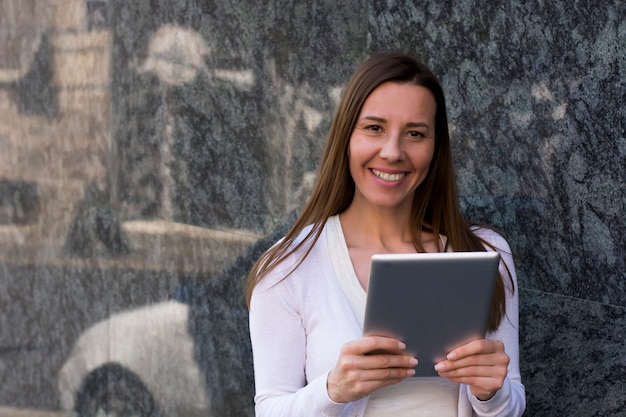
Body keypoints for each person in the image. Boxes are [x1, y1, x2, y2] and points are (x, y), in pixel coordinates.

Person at [245, 52, 526, 417]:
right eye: (374, 128)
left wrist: (492, 392)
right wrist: (334, 390)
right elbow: (270, 409)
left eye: (415, 134)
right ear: (347, 137)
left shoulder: (486, 254)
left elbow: (514, 399)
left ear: (435, 148)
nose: (393, 152)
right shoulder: (289, 267)